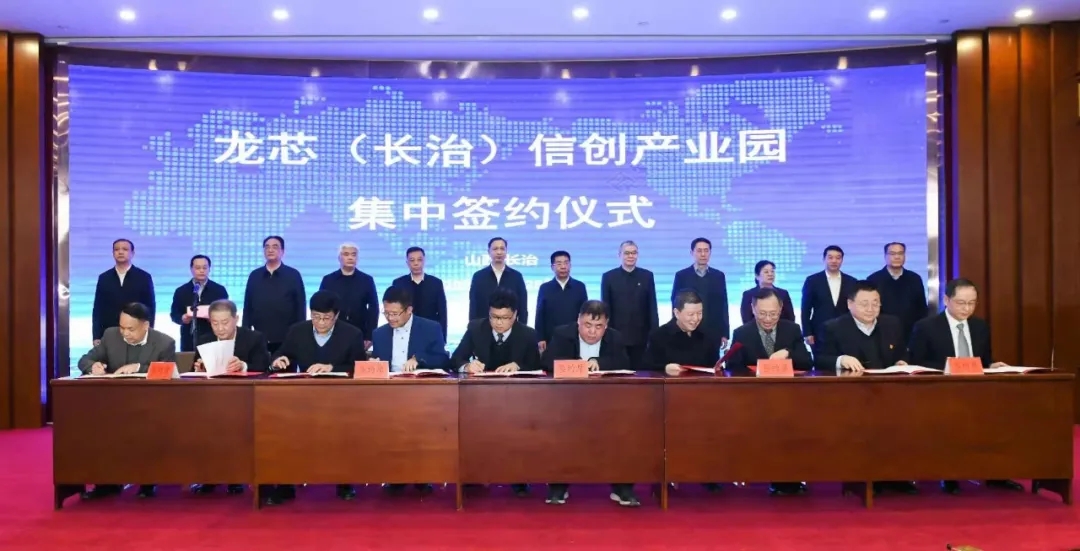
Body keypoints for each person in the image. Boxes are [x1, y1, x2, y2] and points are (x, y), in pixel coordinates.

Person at [907, 278, 1020, 495]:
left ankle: (997, 473)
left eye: (972, 303)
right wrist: (949, 366)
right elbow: (917, 362)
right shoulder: (926, 327)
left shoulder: (980, 326)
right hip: (940, 393)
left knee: (1003, 414)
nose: (967, 308)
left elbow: (984, 359)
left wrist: (992, 365)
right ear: (946, 300)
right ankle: (949, 475)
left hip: (978, 391)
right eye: (961, 303)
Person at [268, 290, 368, 504]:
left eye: (326, 318)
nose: (321, 322)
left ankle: (344, 482)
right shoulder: (297, 331)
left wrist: (332, 367)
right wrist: (278, 360)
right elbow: (281, 353)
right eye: (316, 317)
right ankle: (286, 484)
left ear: (336, 316)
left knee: (344, 433)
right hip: (304, 399)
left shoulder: (352, 334)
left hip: (341, 401)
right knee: (285, 431)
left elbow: (359, 366)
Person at [542, 300, 638, 507]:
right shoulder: (562, 334)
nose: (592, 332)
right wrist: (577, 366)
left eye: (598, 326)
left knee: (625, 430)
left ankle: (622, 486)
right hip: (566, 403)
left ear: (606, 325)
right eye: (587, 325)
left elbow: (626, 364)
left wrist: (599, 362)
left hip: (607, 404)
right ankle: (558, 484)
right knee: (558, 431)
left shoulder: (615, 338)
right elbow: (547, 362)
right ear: (578, 320)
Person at [77, 302, 176, 500]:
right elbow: (84, 360)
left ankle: (148, 482)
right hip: (114, 405)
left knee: (147, 427)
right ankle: (107, 482)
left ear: (145, 325)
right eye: (122, 327)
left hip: (151, 406)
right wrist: (92, 366)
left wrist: (139, 367)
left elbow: (168, 371)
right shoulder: (111, 336)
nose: (125, 333)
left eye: (131, 329)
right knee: (97, 426)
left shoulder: (165, 343)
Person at [450, 288, 540, 498]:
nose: (499, 323)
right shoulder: (476, 328)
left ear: (515, 315)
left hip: (517, 398)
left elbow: (538, 365)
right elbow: (455, 359)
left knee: (520, 431)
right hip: (482, 397)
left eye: (505, 318)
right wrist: (466, 366)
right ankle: (474, 475)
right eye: (494, 317)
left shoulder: (528, 334)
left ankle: (519, 478)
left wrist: (518, 366)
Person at [725, 287, 811, 496]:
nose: (768, 319)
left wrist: (787, 353)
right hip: (754, 399)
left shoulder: (792, 330)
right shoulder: (742, 333)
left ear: (781, 310)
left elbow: (807, 362)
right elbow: (733, 368)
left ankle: (787, 478)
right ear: (753, 309)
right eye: (762, 313)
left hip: (788, 399)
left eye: (773, 314)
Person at [242, 235, 307, 354]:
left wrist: (300, 335)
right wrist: (245, 333)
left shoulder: (293, 275)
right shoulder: (254, 275)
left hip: (286, 339)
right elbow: (247, 307)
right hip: (259, 338)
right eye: (267, 247)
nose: (270, 250)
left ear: (282, 251)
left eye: (275, 247)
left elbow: (300, 307)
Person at [601, 240, 659, 370]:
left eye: (634, 253)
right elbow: (605, 308)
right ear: (619, 255)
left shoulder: (647, 276)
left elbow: (652, 307)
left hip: (641, 337)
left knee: (641, 374)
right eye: (627, 253)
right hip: (616, 336)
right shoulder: (609, 277)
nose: (630, 256)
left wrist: (654, 334)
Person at [91, 238, 155, 346]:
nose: (120, 252)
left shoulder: (143, 277)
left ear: (132, 253)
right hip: (109, 333)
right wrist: (96, 335)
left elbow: (150, 308)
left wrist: (148, 333)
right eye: (116, 249)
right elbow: (98, 309)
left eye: (125, 249)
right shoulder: (104, 278)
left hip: (136, 333)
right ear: (113, 253)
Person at [371, 286, 450, 373]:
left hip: (419, 380)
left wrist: (418, 359)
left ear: (409, 310)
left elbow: (442, 360)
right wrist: (373, 364)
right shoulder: (379, 334)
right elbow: (376, 360)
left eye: (395, 314)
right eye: (386, 313)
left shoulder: (431, 329)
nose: (390, 318)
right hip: (389, 380)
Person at [646, 289, 722, 374]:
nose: (696, 319)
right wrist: (665, 368)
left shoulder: (709, 335)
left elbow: (716, 367)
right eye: (691, 314)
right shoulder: (659, 336)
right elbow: (647, 368)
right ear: (677, 313)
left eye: (699, 313)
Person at [800, 245, 858, 357]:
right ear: (824, 259)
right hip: (819, 331)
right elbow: (805, 308)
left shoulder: (852, 281)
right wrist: (807, 332)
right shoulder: (812, 280)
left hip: (845, 330)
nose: (834, 261)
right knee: (821, 362)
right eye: (830, 257)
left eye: (838, 258)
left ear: (842, 260)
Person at [671, 238, 730, 346]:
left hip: (713, 332)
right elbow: (675, 304)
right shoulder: (682, 276)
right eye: (699, 251)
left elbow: (723, 305)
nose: (703, 254)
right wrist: (676, 330)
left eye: (706, 250)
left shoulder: (718, 276)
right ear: (692, 253)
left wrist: (725, 333)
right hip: (688, 330)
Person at [319, 243, 379, 348]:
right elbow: (321, 306)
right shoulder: (328, 280)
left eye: (353, 254)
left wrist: (370, 335)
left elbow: (373, 308)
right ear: (339, 258)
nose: (350, 258)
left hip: (359, 332)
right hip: (333, 332)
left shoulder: (366, 280)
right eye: (346, 254)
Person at [866, 242, 928, 343]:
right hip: (881, 334)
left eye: (900, 253)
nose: (897, 257)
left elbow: (922, 309)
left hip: (910, 334)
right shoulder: (874, 279)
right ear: (885, 256)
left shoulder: (915, 279)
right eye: (892, 253)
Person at [169, 254, 228, 352]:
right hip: (189, 338)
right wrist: (183, 318)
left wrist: (214, 318)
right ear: (191, 269)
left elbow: (226, 313)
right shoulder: (181, 291)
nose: (201, 270)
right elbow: (174, 314)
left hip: (213, 337)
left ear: (209, 269)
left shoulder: (219, 290)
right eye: (198, 268)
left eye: (205, 268)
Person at [535, 250, 588, 354]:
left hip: (575, 337)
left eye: (566, 263)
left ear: (570, 265)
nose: (563, 267)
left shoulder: (579, 286)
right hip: (551, 337)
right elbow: (540, 314)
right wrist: (540, 337)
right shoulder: (545, 288)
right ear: (552, 267)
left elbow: (585, 313)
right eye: (559, 263)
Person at [468, 237, 528, 324]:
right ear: (489, 252)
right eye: (495, 249)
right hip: (484, 327)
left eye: (502, 249)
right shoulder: (479, 277)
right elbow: (473, 306)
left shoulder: (516, 276)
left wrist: (523, 328)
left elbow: (523, 306)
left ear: (506, 252)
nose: (499, 252)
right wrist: (472, 327)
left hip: (510, 327)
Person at [392, 246, 448, 339]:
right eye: (412, 260)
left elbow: (442, 312)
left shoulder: (436, 283)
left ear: (424, 261)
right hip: (405, 333)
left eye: (419, 260)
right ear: (407, 263)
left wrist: (442, 337)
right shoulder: (398, 283)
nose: (416, 263)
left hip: (430, 332)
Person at [739, 260, 795, 324]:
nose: (770, 274)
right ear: (757, 276)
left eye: (772, 271)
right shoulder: (748, 295)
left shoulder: (783, 293)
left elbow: (790, 318)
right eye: (766, 272)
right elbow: (746, 319)